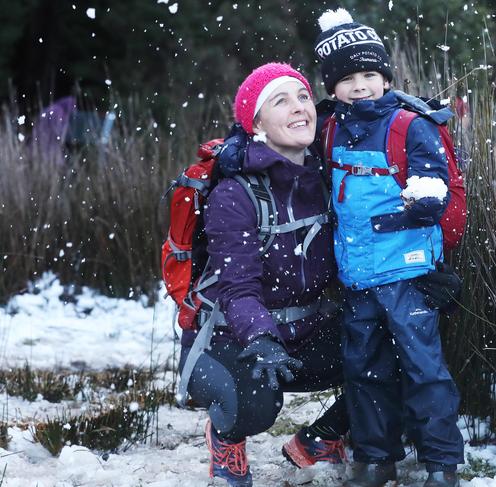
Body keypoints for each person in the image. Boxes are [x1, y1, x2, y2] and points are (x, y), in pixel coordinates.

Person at [312, 8, 465, 487]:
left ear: (384, 77)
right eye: (348, 78)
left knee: (426, 371)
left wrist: (422, 199)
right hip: (357, 278)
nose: (360, 86)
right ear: (332, 87)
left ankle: (442, 463)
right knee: (364, 372)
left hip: (407, 276)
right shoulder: (330, 128)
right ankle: (376, 459)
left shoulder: (408, 124)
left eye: (369, 74)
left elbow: (432, 177)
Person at [178, 63, 348, 487]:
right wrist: (262, 338)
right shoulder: (234, 193)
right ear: (255, 123)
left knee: (398, 347)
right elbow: (237, 290)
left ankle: (322, 438)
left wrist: (412, 281)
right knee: (254, 402)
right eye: (280, 100)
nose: (299, 108)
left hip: (309, 328)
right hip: (233, 338)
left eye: (303, 97)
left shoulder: (330, 177)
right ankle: (226, 438)